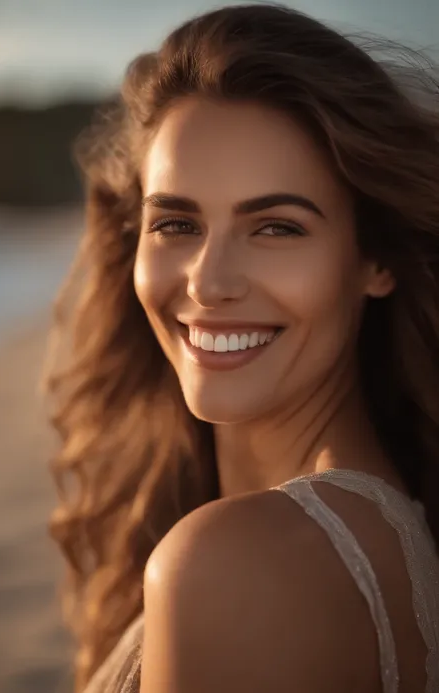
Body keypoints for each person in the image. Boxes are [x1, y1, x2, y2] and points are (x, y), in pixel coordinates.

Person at [43, 4, 439, 692]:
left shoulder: (237, 563)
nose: (210, 281)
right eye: (176, 221)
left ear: (374, 259)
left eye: (277, 227)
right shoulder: (380, 531)